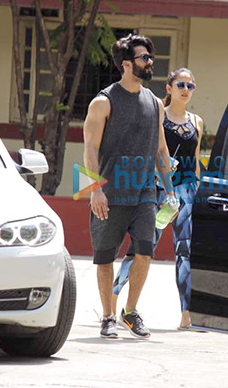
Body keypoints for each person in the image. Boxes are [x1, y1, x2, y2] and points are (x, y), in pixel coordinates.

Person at [83, 34, 175, 339]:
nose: (150, 62)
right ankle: (107, 315)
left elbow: (162, 150)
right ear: (126, 64)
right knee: (105, 257)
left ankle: (130, 311)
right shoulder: (102, 102)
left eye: (150, 57)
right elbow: (89, 149)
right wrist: (94, 190)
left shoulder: (155, 104)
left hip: (144, 193)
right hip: (108, 193)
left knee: (144, 253)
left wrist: (170, 190)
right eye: (144, 58)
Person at [111, 68, 204, 330]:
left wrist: (194, 189)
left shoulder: (197, 121)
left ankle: (186, 314)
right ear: (169, 88)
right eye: (181, 84)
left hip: (185, 191)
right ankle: (114, 297)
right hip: (159, 189)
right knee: (142, 247)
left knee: (184, 252)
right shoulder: (157, 115)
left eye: (191, 86)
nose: (186, 90)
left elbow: (195, 158)